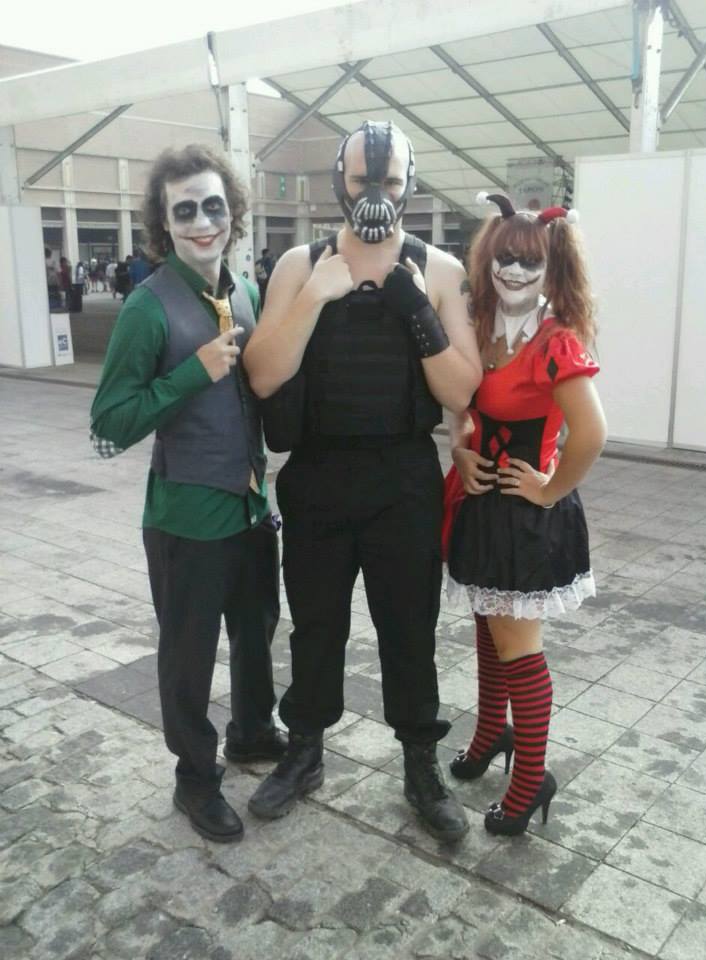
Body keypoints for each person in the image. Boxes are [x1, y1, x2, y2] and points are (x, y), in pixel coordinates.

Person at [243, 120, 483, 842]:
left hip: (402, 478)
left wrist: (415, 308)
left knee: (409, 629)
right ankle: (305, 750)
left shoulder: (439, 270)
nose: (375, 193)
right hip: (318, 475)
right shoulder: (299, 263)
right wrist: (315, 296)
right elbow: (264, 375)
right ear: (338, 183)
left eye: (389, 180)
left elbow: (461, 391)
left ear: (409, 183)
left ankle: (419, 764)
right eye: (360, 180)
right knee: (316, 625)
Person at [90, 144, 286, 843]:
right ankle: (195, 777)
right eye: (185, 211)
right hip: (186, 518)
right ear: (164, 223)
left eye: (213, 206)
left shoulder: (244, 291)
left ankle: (252, 730)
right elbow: (108, 426)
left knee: (257, 630)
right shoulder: (148, 307)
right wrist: (190, 374)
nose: (203, 222)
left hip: (251, 507)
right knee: (189, 653)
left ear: (233, 212)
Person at [444, 194, 607, 836]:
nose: (514, 271)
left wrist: (548, 489)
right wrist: (460, 447)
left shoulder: (555, 342)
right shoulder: (482, 327)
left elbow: (591, 434)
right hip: (482, 506)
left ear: (552, 267)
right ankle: (492, 733)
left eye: (529, 261)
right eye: (505, 258)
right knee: (489, 630)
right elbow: (464, 408)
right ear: (489, 260)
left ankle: (533, 777)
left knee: (518, 646)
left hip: (524, 518)